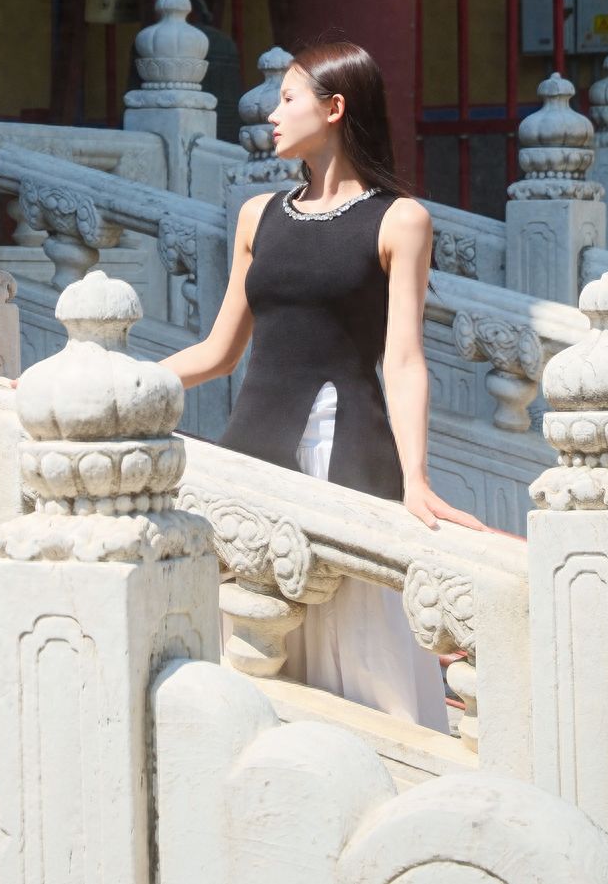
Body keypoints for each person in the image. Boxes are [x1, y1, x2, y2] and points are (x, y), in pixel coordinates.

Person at [160, 39, 484, 729]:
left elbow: (402, 359)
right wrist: (114, 377)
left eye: (288, 99)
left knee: (368, 662)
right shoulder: (258, 215)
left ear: (335, 108)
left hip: (347, 462)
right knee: (249, 654)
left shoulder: (401, 220)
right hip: (256, 454)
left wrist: (418, 478)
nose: (271, 116)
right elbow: (219, 351)